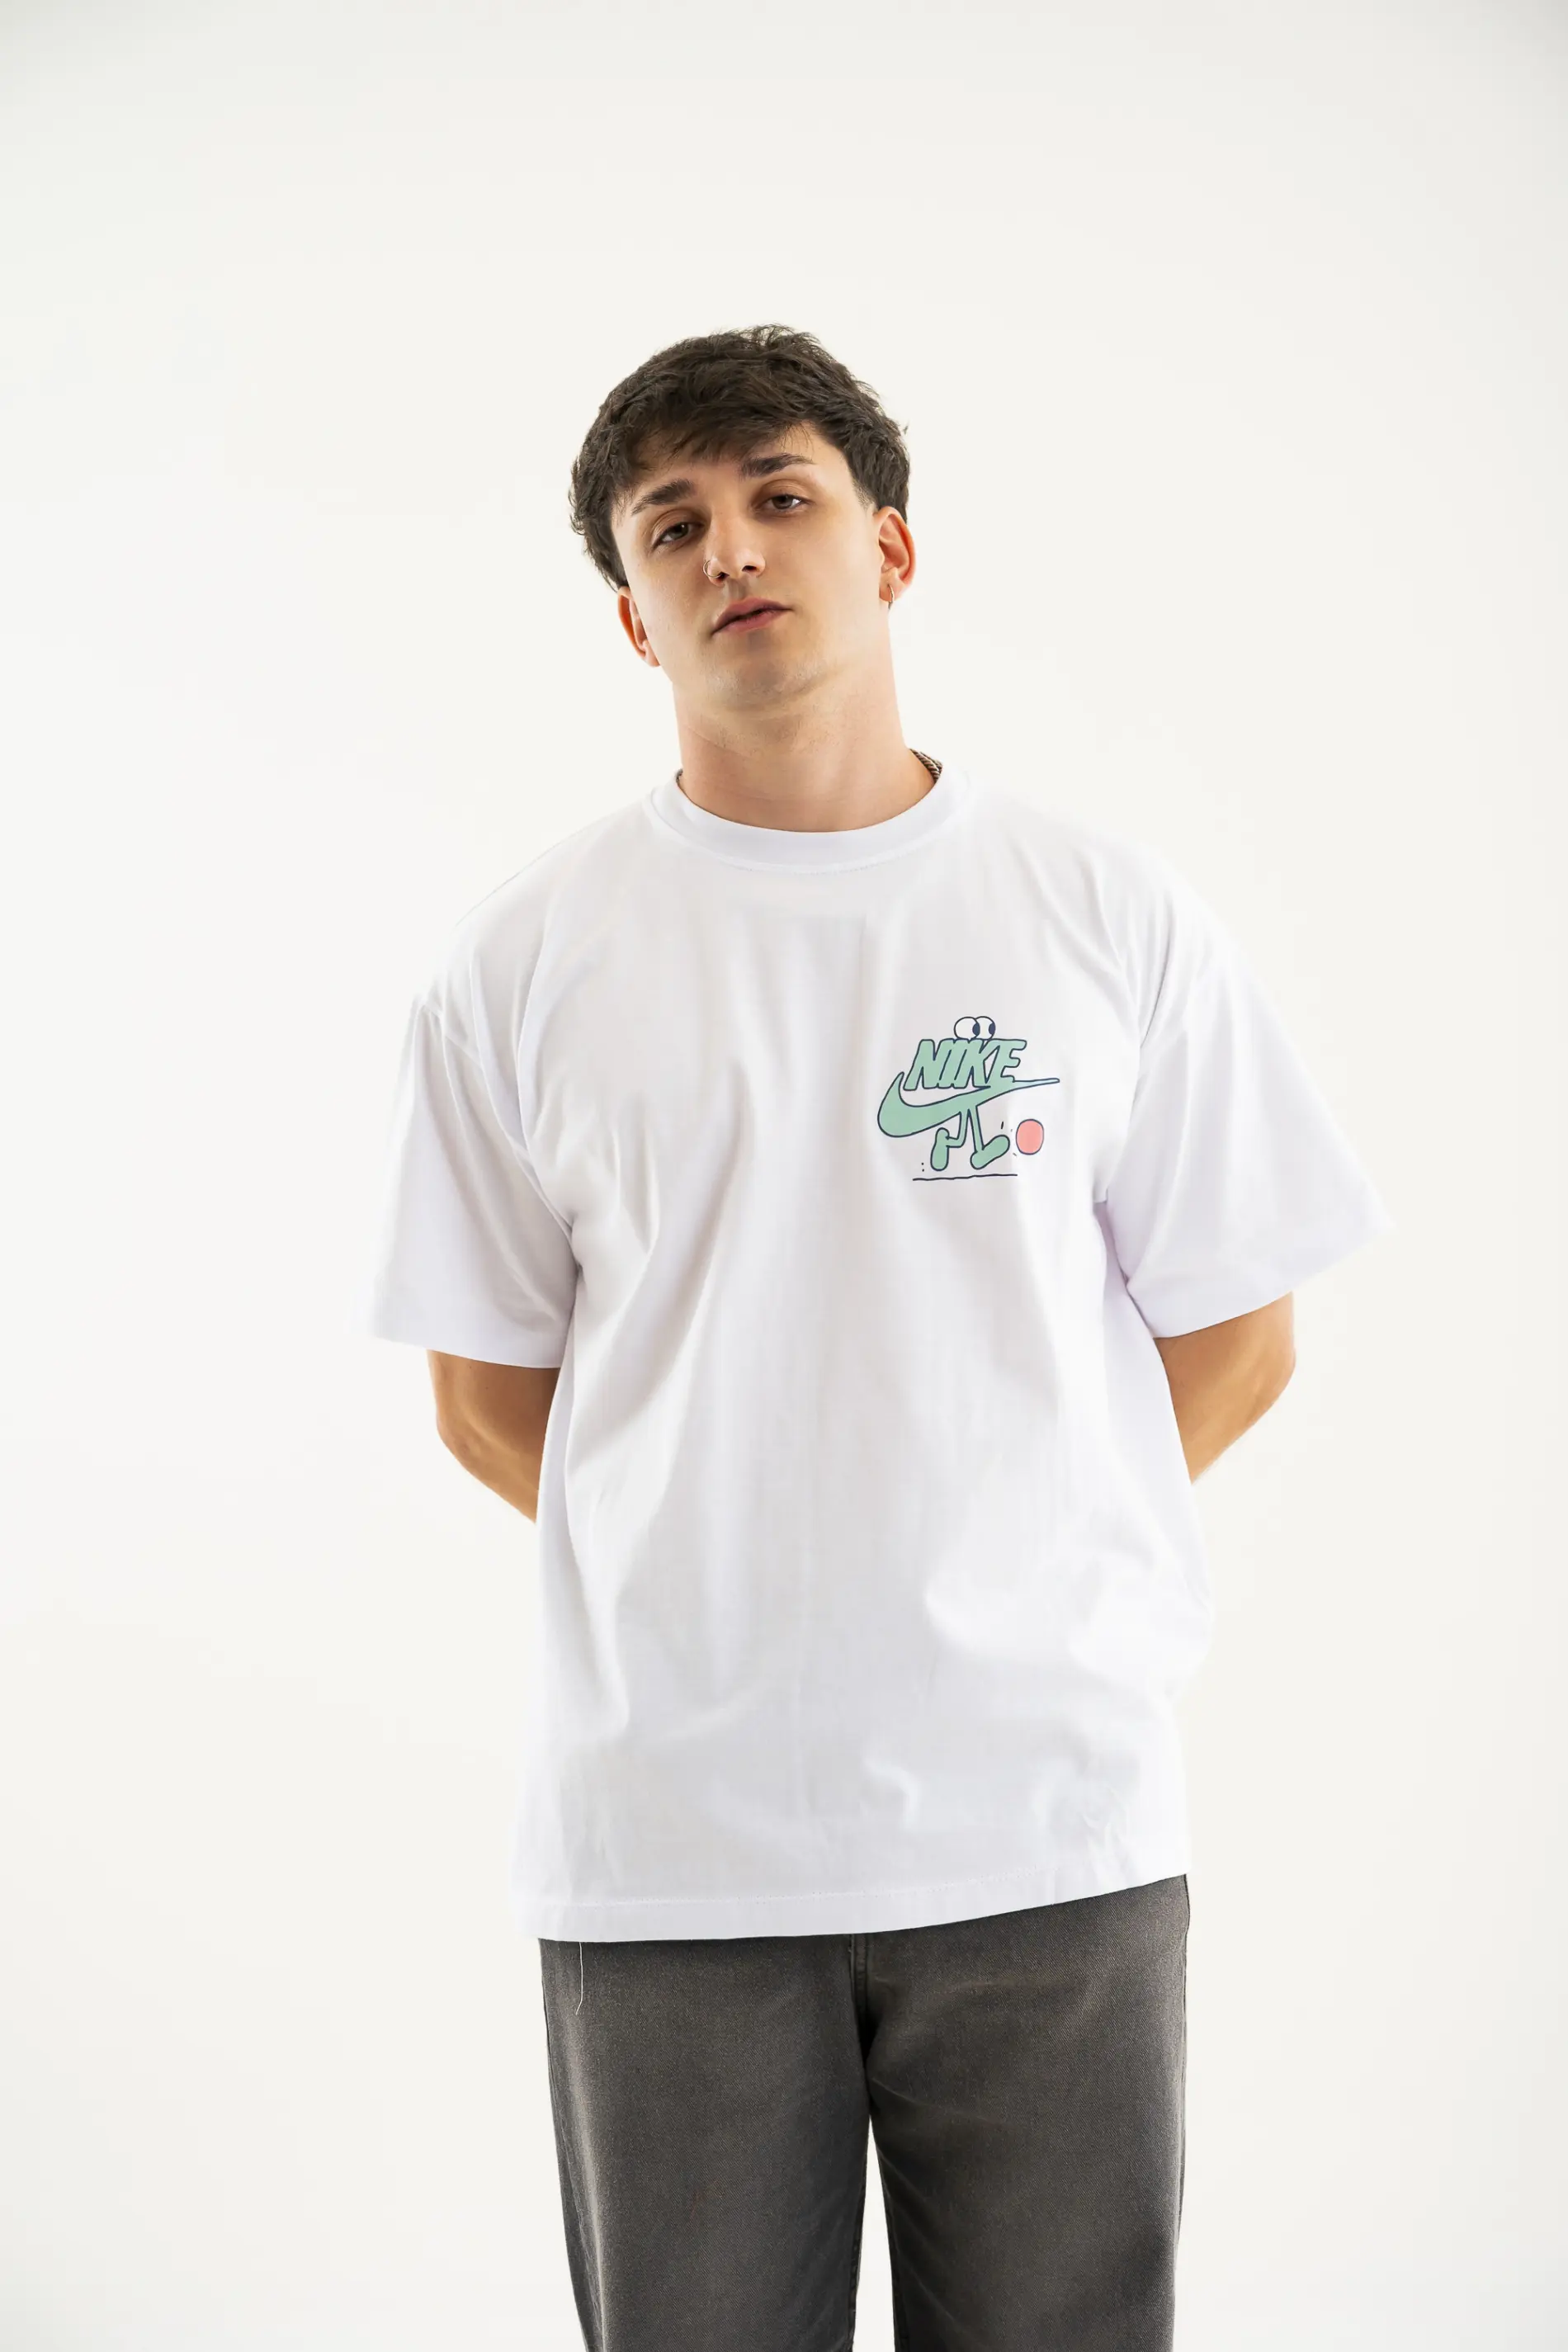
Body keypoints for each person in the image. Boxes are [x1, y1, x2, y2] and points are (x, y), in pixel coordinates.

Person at [359, 324, 1392, 2351]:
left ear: (890, 546)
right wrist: (709, 1570)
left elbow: (1240, 1330)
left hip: (1047, 1821)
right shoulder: (523, 964)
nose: (731, 549)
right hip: (671, 1845)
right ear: (631, 616)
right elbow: (484, 1398)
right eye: (672, 527)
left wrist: (1016, 1543)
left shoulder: (1099, 915)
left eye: (779, 495)